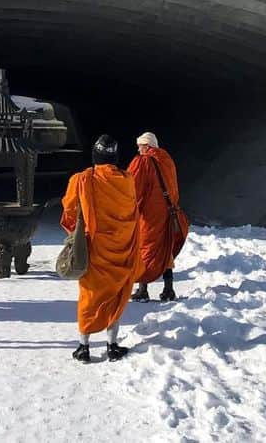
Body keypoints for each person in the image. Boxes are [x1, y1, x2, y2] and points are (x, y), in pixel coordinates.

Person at [61, 134, 142, 363]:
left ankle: (83, 347)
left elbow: (69, 209)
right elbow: (134, 212)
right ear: (116, 158)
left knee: (90, 296)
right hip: (123, 247)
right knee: (116, 295)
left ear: (95, 156)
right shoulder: (127, 180)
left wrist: (74, 232)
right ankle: (112, 345)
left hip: (95, 248)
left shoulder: (82, 179)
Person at [128, 131, 189, 303]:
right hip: (168, 213)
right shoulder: (167, 160)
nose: (138, 150)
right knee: (165, 250)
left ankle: (142, 289)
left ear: (147, 146)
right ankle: (168, 289)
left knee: (144, 249)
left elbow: (132, 188)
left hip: (149, 216)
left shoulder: (143, 162)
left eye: (140, 146)